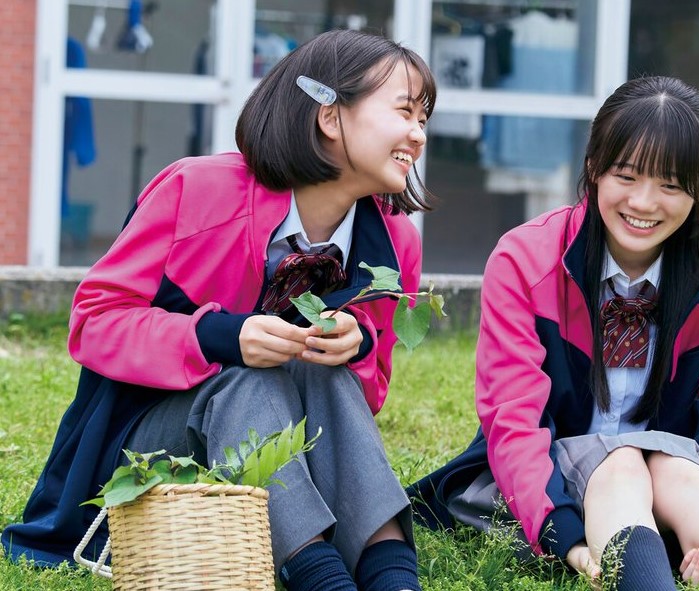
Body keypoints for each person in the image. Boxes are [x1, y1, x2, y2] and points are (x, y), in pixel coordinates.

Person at [3, 29, 435, 591]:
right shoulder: (197, 189)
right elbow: (95, 322)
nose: (418, 134)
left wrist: (357, 346)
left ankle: (392, 577)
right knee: (248, 382)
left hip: (282, 455)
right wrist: (221, 337)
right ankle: (320, 577)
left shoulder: (395, 243)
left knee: (321, 373)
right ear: (330, 116)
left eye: (424, 117)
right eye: (404, 111)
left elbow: (364, 398)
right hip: (148, 456)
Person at [408, 75, 699, 591]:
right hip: (550, 484)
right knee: (621, 467)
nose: (644, 203)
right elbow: (514, 420)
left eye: (671, 185)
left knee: (675, 474)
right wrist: (567, 540)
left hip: (671, 479)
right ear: (593, 165)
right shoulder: (525, 259)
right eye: (626, 176)